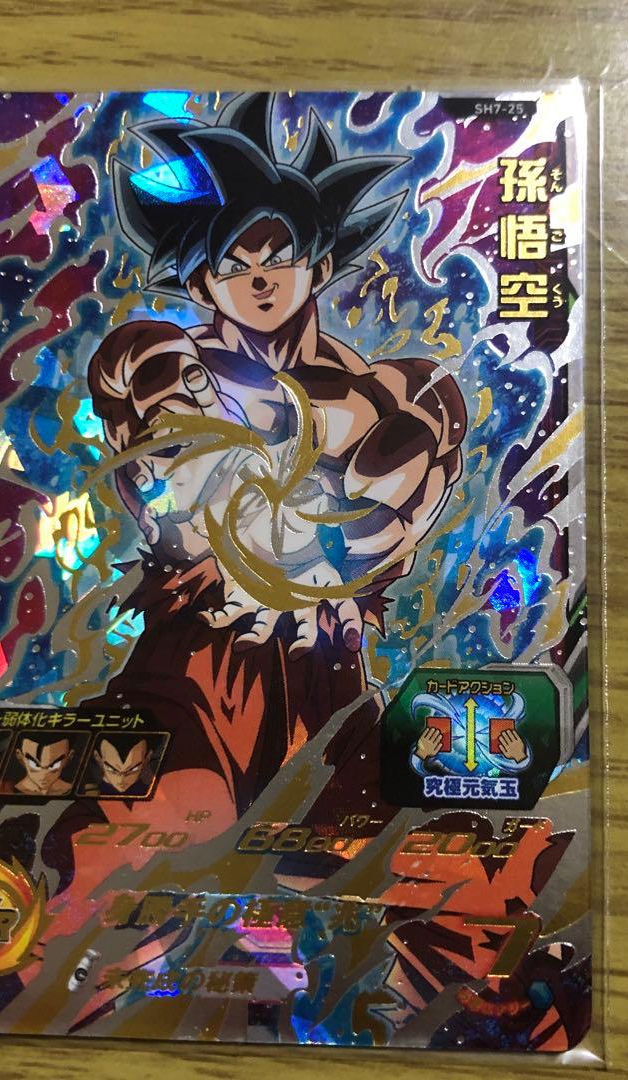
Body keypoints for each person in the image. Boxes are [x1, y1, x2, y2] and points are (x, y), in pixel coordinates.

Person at [82, 91, 467, 823]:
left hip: (326, 666)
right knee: (154, 822)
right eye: (235, 264)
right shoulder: (171, 361)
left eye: (280, 257)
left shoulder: (380, 394)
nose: (260, 279)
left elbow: (398, 512)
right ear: (201, 282)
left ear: (318, 268)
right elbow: (145, 437)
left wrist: (369, 521)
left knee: (361, 846)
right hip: (200, 656)